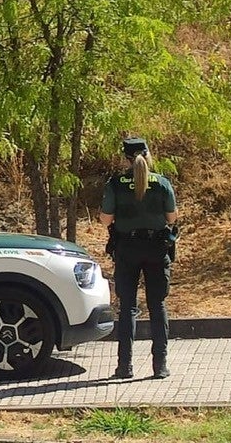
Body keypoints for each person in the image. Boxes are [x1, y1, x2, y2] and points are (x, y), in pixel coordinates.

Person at [99, 137, 179, 380]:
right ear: (148, 154)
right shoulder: (162, 183)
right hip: (156, 248)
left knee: (128, 309)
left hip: (127, 249)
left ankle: (124, 367)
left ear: (126, 158)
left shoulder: (116, 183)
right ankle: (160, 366)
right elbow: (172, 218)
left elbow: (106, 219)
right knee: (158, 306)